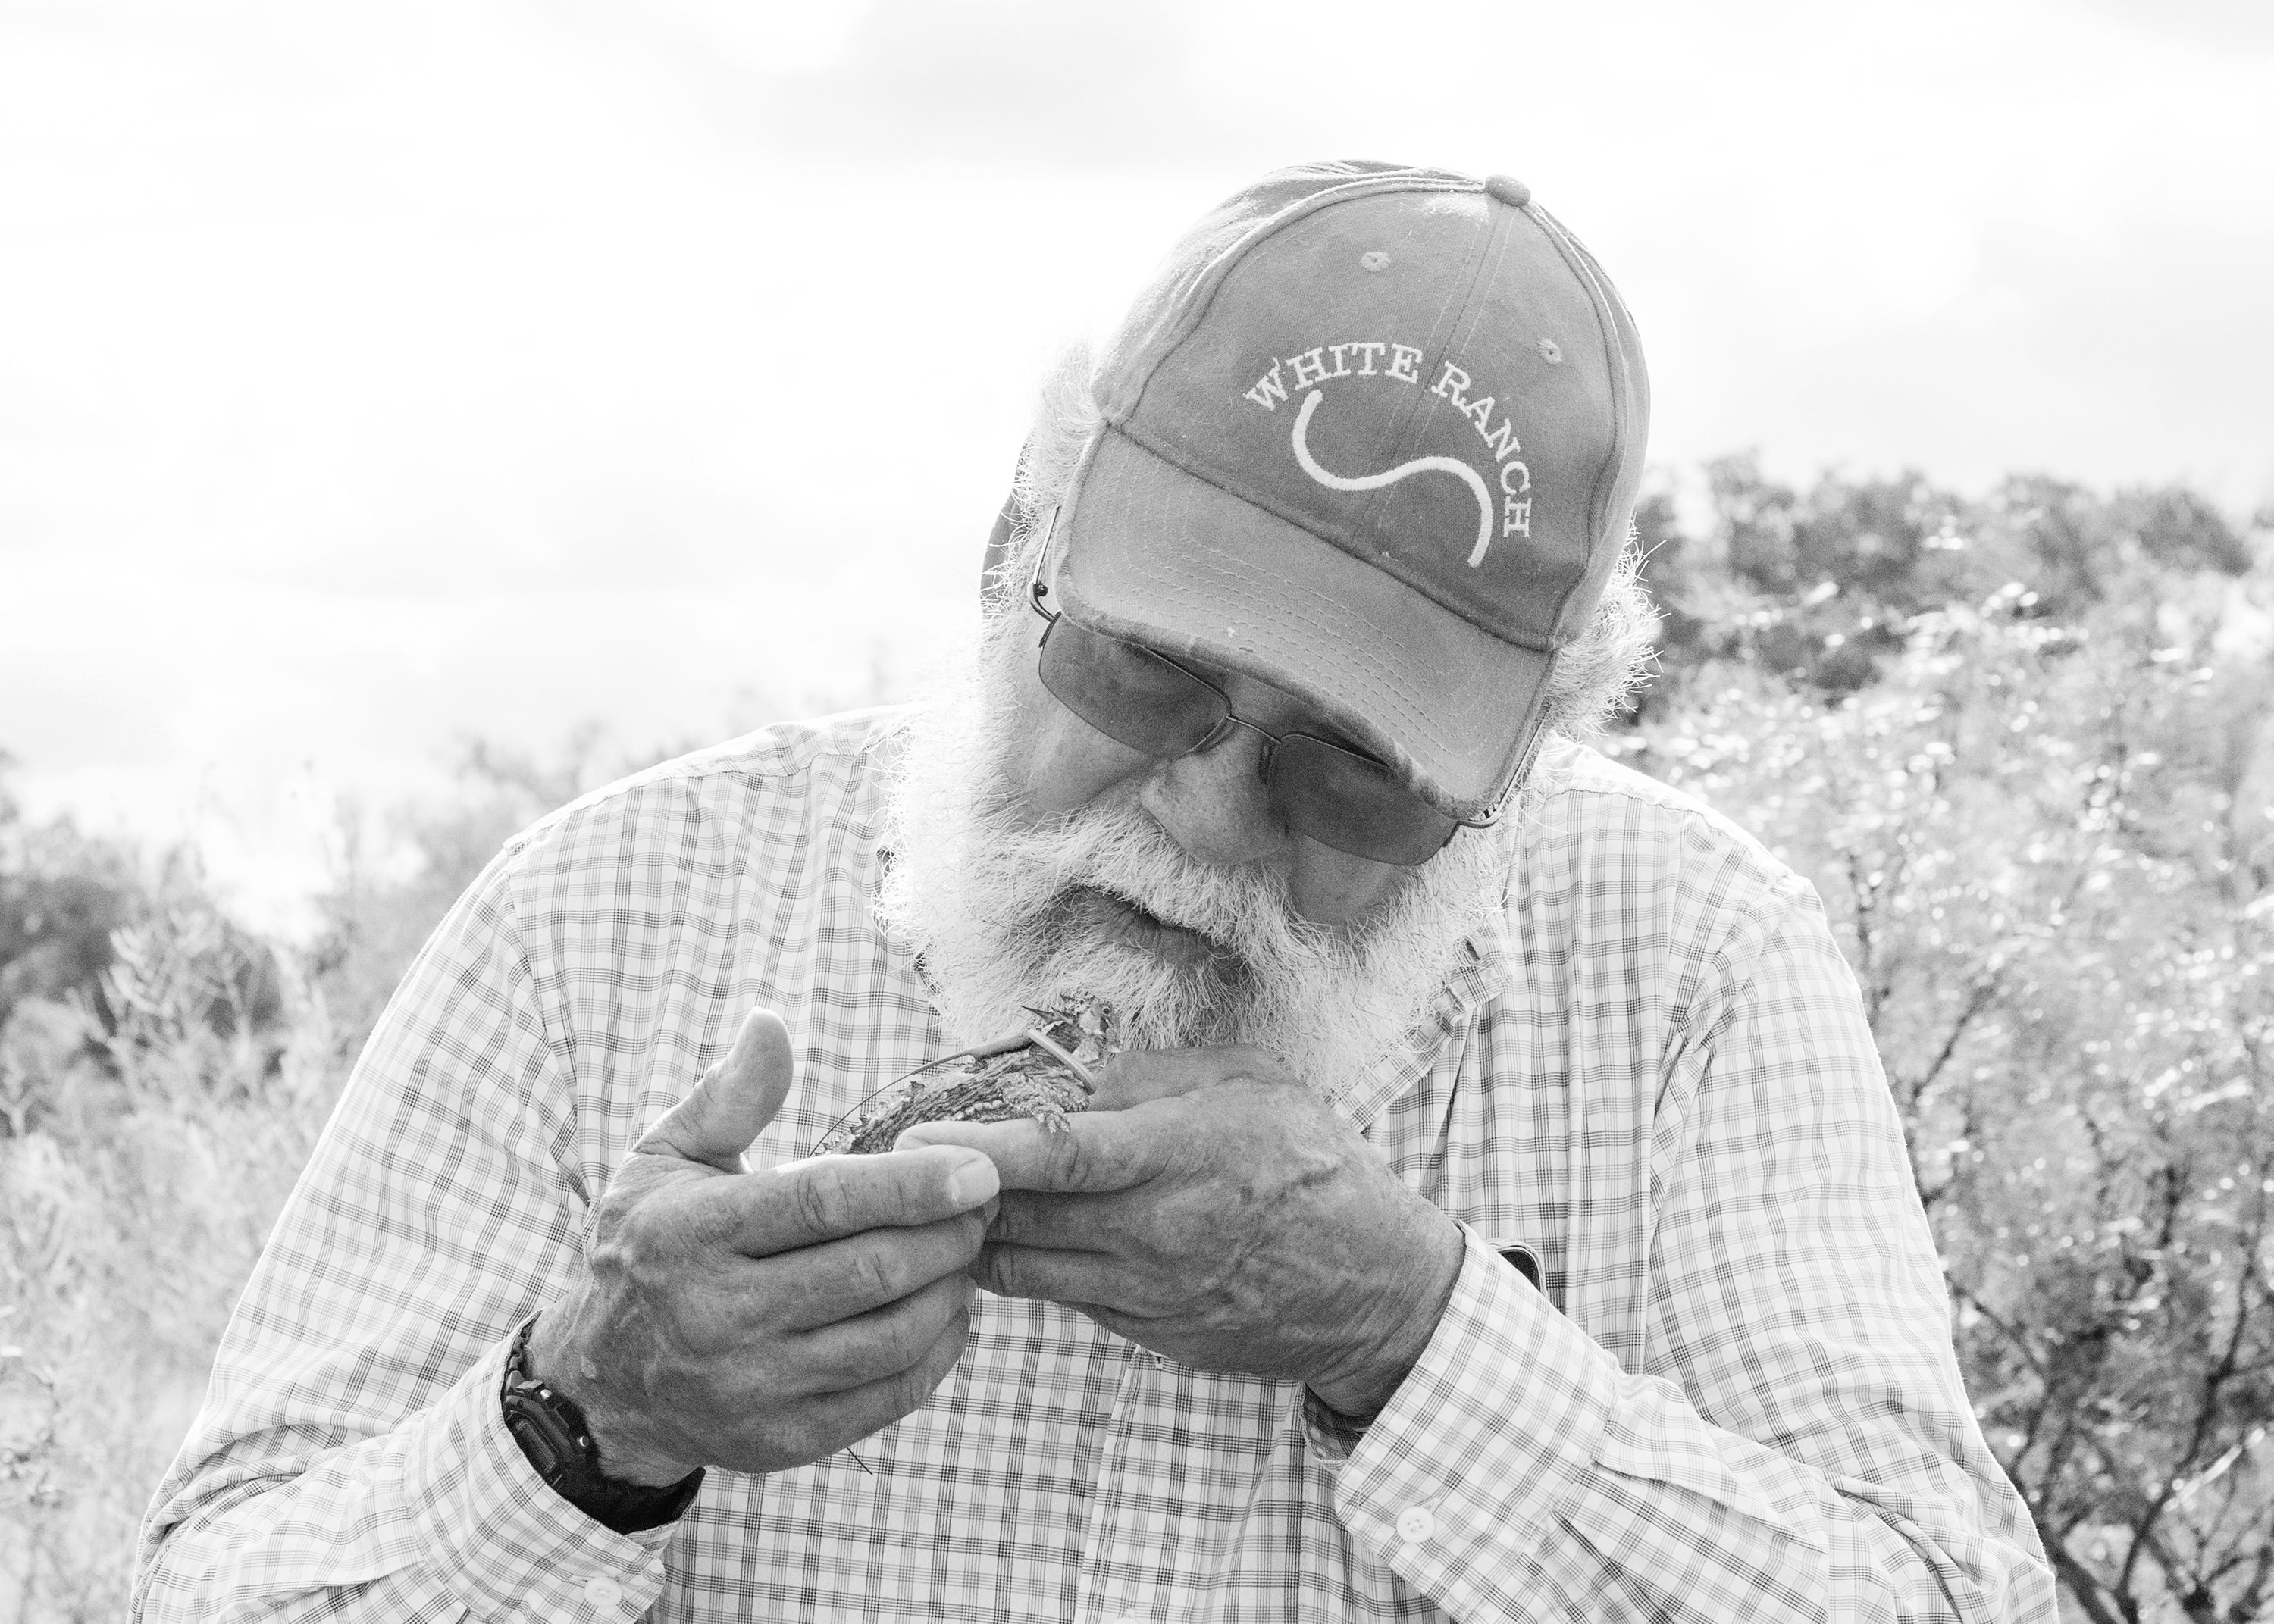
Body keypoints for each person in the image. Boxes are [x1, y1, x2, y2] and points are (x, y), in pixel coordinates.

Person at [136, 161, 2057, 1622]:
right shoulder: (605, 914)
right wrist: (589, 1419)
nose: (1209, 817)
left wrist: (1410, 1328)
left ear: (1518, 771)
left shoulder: (1693, 967)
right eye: (1148, 670)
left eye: (1351, 764)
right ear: (1013, 552)